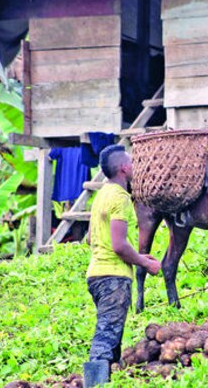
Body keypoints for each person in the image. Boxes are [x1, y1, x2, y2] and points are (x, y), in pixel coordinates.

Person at [83, 145, 161, 387]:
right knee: (106, 338)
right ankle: (94, 385)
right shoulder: (120, 197)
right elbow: (118, 245)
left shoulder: (102, 195)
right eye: (132, 162)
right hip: (113, 277)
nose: (135, 166)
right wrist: (143, 263)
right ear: (125, 169)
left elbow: (89, 238)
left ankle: (107, 382)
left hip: (96, 274)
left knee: (112, 335)